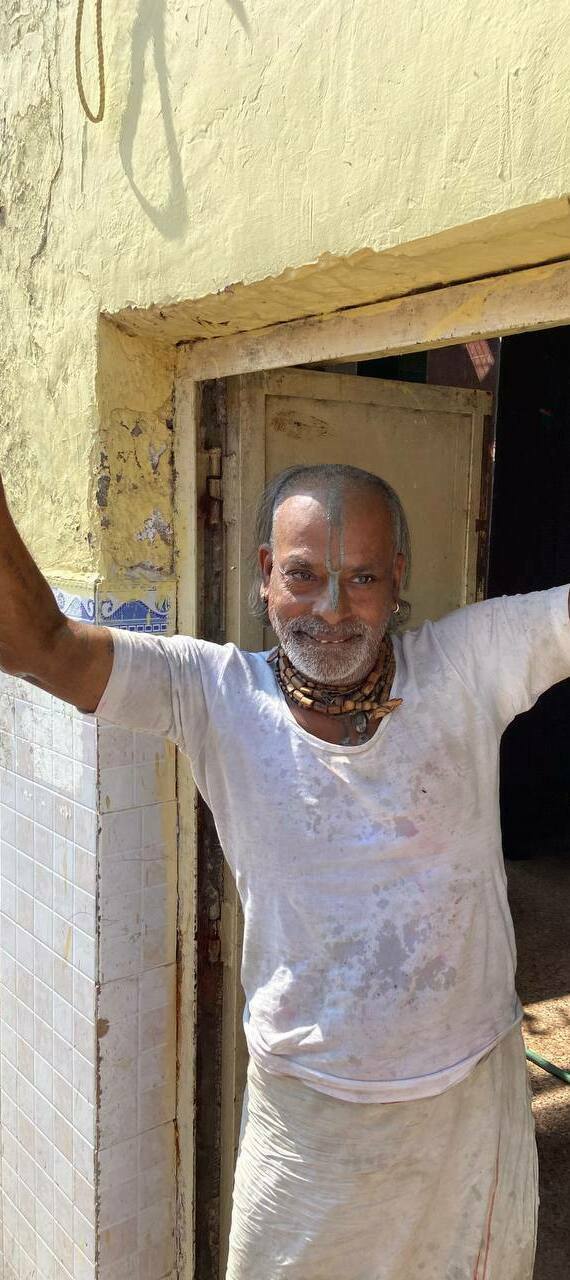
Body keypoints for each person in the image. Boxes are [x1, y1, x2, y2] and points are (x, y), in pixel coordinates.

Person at [2, 461, 569, 1280]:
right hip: (306, 1124)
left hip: (471, 1107)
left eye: (362, 578)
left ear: (397, 579)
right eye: (304, 575)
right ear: (266, 573)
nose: (332, 609)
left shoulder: (468, 662)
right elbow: (40, 645)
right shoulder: (211, 691)